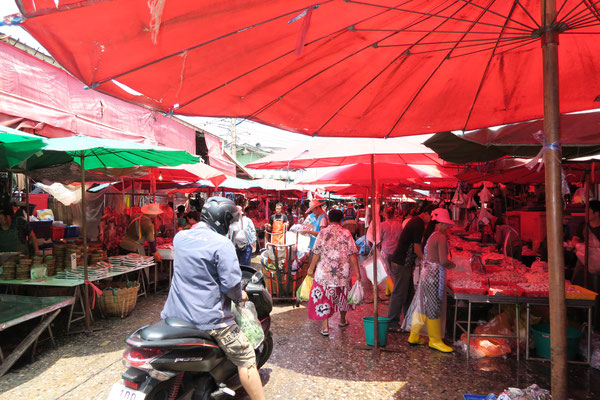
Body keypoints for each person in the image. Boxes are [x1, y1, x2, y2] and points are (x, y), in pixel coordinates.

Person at [161, 197, 265, 400]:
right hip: (210, 319)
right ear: (223, 220)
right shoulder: (222, 244)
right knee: (246, 356)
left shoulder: (180, 238)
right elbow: (230, 285)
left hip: (175, 314)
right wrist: (240, 295)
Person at [401, 208, 455, 352]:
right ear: (442, 223)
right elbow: (443, 261)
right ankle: (435, 340)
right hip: (434, 276)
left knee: (422, 304)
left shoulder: (431, 235)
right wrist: (456, 266)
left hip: (426, 274)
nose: (448, 227)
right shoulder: (441, 237)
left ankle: (414, 336)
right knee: (433, 306)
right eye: (447, 225)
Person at [306, 209, 361, 336]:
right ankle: (342, 320)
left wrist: (311, 268)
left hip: (325, 273)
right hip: (343, 272)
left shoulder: (323, 233)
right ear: (342, 220)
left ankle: (325, 327)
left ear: (329, 219)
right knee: (343, 295)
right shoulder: (346, 233)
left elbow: (317, 252)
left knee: (324, 297)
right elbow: (353, 254)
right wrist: (357, 272)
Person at [387, 204, 433, 333]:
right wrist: (425, 261)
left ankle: (409, 321)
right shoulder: (418, 223)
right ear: (426, 213)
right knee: (399, 293)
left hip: (404, 263)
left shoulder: (417, 222)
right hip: (402, 262)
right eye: (432, 216)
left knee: (408, 294)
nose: (432, 219)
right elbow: (417, 247)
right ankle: (391, 322)